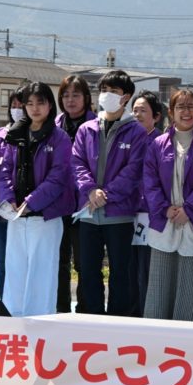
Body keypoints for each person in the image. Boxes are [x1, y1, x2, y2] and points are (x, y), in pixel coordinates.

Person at [73, 69, 150, 316]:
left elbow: (134, 171)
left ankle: (118, 321)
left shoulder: (136, 132)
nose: (106, 95)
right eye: (104, 90)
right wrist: (90, 190)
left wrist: (105, 194)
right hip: (88, 213)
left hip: (120, 215)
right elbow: (77, 162)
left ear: (126, 97)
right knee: (88, 271)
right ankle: (92, 318)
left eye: (113, 91)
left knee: (121, 272)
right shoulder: (87, 129)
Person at [142, 90, 193, 321]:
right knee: (159, 290)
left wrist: (189, 210)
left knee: (190, 292)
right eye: (180, 107)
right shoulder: (157, 145)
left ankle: (186, 340)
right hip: (164, 222)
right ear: (171, 112)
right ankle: (155, 337)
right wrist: (164, 208)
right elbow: (149, 182)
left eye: (190, 107)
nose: (186, 112)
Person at [0, 81, 74, 316]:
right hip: (16, 216)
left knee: (42, 275)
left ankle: (39, 326)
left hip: (45, 217)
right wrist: (8, 198)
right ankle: (13, 326)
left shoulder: (59, 138)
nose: (34, 108)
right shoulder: (14, 135)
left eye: (40, 103)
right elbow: (4, 170)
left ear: (50, 105)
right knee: (15, 273)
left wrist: (31, 203)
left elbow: (58, 177)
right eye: (29, 103)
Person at [55, 75, 96, 312]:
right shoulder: (54, 125)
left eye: (76, 95)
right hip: (58, 204)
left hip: (84, 205)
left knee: (84, 263)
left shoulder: (96, 125)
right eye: (66, 95)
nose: (70, 100)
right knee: (58, 262)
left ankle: (84, 311)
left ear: (86, 97)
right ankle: (60, 309)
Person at [129, 90, 164, 316]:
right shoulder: (128, 139)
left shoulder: (161, 143)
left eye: (143, 110)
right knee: (130, 270)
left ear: (156, 116)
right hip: (128, 213)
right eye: (134, 110)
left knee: (148, 271)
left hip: (150, 215)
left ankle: (147, 314)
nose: (137, 115)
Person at [0, 86, 27, 298]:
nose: (17, 110)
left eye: (21, 105)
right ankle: (4, 302)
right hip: (2, 208)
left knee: (22, 261)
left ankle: (22, 301)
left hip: (25, 208)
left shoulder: (37, 134)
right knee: (2, 260)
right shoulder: (0, 134)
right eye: (13, 105)